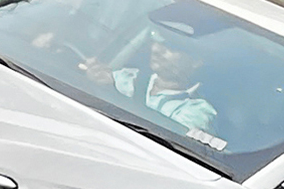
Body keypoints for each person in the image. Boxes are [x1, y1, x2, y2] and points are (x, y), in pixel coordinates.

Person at [82, 31, 217, 132]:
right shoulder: (127, 77)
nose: (156, 49)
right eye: (156, 41)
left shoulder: (197, 110)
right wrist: (95, 79)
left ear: (196, 61)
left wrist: (114, 94)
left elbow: (166, 142)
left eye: (171, 46)